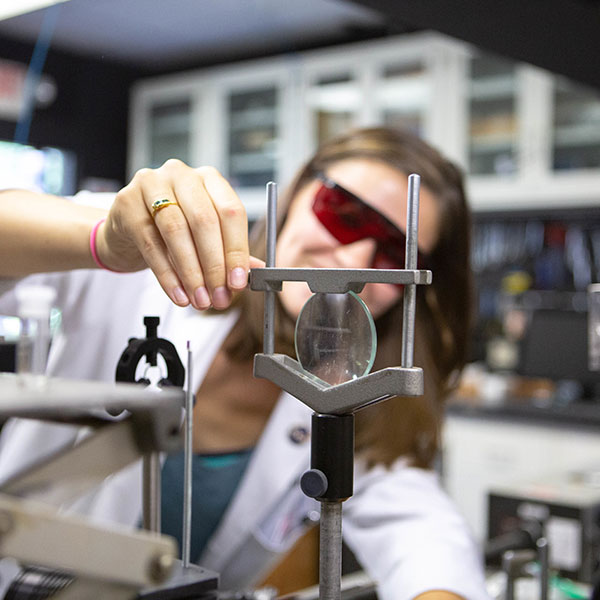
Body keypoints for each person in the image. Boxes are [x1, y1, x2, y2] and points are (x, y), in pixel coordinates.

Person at [0, 127, 489, 600]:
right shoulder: (147, 259)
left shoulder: (358, 404)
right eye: (344, 214)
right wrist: (104, 243)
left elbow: (421, 536)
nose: (353, 255)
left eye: (391, 254)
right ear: (296, 195)